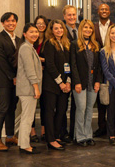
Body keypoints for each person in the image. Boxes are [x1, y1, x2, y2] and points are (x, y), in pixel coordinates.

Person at [70, 19, 102, 147]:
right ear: (81, 30)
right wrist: (76, 82)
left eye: (90, 28)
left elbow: (99, 66)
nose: (88, 30)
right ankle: (79, 136)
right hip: (80, 83)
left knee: (89, 109)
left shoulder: (96, 45)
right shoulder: (75, 44)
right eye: (85, 28)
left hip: (92, 82)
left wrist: (98, 81)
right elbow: (73, 65)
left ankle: (88, 135)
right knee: (81, 108)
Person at [0, 12, 20, 151]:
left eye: (13, 21)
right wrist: (12, 77)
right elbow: (1, 61)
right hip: (3, 80)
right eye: (7, 21)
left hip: (17, 80)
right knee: (3, 108)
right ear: (2, 23)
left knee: (12, 108)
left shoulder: (19, 40)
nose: (11, 23)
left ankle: (9, 136)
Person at [42, 20, 71, 150]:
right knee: (49, 112)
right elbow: (50, 65)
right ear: (51, 30)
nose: (59, 30)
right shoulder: (49, 44)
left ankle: (56, 135)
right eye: (56, 28)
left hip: (65, 84)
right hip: (52, 85)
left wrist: (68, 82)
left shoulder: (66, 43)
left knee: (61, 111)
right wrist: (60, 83)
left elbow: (69, 64)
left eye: (61, 28)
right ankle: (51, 140)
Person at [16, 23, 42, 154]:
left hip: (27, 89)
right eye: (31, 32)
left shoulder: (29, 47)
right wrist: (36, 88)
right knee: (28, 118)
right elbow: (30, 70)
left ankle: (22, 143)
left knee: (26, 116)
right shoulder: (26, 48)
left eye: (36, 32)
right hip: (28, 89)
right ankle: (25, 146)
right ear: (25, 34)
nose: (35, 34)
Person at [93, 3, 115, 137]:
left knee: (112, 100)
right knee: (101, 100)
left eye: (106, 9)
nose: (104, 11)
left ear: (110, 11)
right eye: (102, 9)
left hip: (113, 66)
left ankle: (112, 127)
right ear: (98, 11)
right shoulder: (94, 27)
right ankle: (101, 127)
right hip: (97, 67)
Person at [62, 5, 79, 143]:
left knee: (76, 105)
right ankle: (62, 132)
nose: (72, 17)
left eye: (74, 14)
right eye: (69, 15)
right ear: (64, 17)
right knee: (62, 105)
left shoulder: (80, 29)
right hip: (65, 73)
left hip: (79, 73)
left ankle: (74, 132)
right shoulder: (61, 31)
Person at [31, 15, 48, 142]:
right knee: (32, 105)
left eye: (43, 24)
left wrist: (37, 59)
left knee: (44, 105)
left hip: (45, 76)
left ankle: (43, 130)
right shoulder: (31, 40)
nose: (40, 26)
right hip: (31, 77)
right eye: (38, 23)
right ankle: (32, 132)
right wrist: (39, 61)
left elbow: (50, 60)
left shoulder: (48, 41)